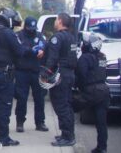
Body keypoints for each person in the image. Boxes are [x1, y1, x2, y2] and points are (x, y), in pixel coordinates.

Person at [0, 7, 31, 147]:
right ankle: (3, 138)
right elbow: (20, 51)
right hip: (3, 74)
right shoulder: (7, 33)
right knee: (3, 105)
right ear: (8, 20)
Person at [44, 12, 78, 147]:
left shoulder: (57, 38)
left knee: (60, 105)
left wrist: (46, 73)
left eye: (56, 19)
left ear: (60, 21)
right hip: (69, 74)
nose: (55, 22)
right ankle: (67, 134)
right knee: (67, 105)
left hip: (60, 75)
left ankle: (67, 136)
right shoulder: (71, 37)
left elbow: (52, 58)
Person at [73, 32, 110, 153]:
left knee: (68, 106)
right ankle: (102, 147)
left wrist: (78, 87)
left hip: (91, 91)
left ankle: (67, 136)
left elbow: (81, 75)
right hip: (104, 91)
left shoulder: (85, 58)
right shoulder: (102, 56)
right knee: (101, 122)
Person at [14, 16, 49, 133]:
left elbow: (45, 44)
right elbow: (19, 49)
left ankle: (40, 122)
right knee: (21, 98)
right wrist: (32, 50)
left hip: (36, 71)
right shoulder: (18, 35)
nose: (31, 30)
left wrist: (41, 49)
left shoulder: (39, 35)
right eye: (30, 28)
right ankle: (20, 122)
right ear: (25, 27)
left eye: (33, 28)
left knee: (39, 98)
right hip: (21, 71)